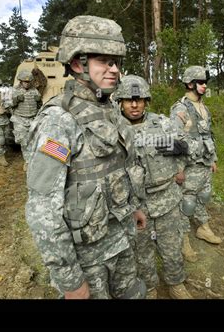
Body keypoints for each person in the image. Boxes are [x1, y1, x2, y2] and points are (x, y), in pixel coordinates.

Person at [25, 15, 147, 299]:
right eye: (105, 61)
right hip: (88, 260)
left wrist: (135, 209)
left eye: (116, 62)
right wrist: (70, 279)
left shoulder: (110, 110)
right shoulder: (58, 121)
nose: (115, 70)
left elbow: (122, 168)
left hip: (122, 241)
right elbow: (43, 210)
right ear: (78, 63)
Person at [113, 75, 193, 299]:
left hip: (166, 199)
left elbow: (190, 146)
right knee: (141, 251)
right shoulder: (112, 129)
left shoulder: (163, 123)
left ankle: (176, 283)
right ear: (120, 101)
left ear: (147, 101)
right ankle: (149, 287)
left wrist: (175, 147)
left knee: (171, 246)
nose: (135, 105)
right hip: (134, 205)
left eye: (139, 100)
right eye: (129, 100)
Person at [170, 66, 222, 263]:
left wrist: (213, 158)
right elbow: (176, 142)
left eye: (205, 82)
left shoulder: (204, 108)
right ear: (190, 84)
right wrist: (178, 169)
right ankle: (183, 240)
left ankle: (203, 227)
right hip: (189, 165)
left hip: (204, 162)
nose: (204, 86)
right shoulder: (180, 109)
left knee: (204, 195)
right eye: (200, 82)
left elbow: (209, 134)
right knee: (187, 202)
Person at [10, 70, 42, 170]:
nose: (27, 84)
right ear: (20, 81)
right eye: (25, 82)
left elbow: (39, 107)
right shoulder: (14, 90)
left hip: (32, 119)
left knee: (33, 141)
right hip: (20, 119)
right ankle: (27, 161)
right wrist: (15, 100)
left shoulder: (35, 90)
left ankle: (33, 159)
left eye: (28, 82)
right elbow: (6, 105)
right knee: (24, 141)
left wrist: (39, 101)